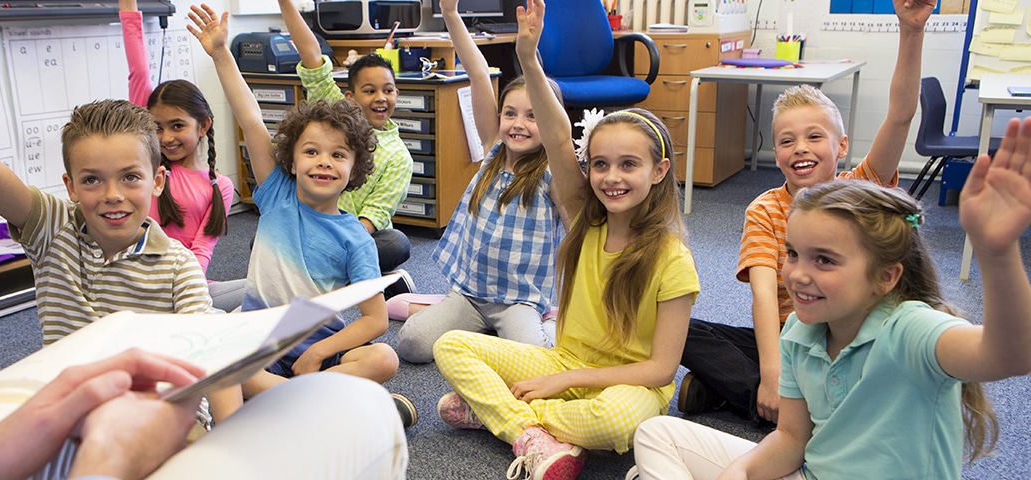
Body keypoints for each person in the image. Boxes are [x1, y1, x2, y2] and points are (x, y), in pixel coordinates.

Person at [0, 4, 409, 480]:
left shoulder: (180, 266)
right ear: (69, 186)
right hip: (65, 422)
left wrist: (227, 437)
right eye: (92, 180)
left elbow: (214, 369)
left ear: (156, 181)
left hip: (167, 422)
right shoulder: (50, 226)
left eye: (130, 178)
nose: (112, 195)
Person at [632, 118, 1031, 478]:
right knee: (656, 434)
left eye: (824, 260)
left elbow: (1012, 354)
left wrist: (996, 253)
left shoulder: (912, 328)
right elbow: (790, 438)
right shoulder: (800, 334)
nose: (798, 274)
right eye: (792, 254)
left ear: (885, 277)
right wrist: (742, 470)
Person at [432, 1, 699, 478]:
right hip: (561, 362)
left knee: (622, 423)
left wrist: (568, 379)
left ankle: (499, 415)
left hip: (625, 386)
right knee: (451, 344)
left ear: (659, 171)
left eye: (628, 165)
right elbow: (556, 138)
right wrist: (529, 59)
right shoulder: (585, 222)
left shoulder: (673, 259)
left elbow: (661, 372)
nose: (611, 178)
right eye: (600, 164)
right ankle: (531, 434)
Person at [677, 0, 937, 424]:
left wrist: (911, 33)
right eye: (786, 140)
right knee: (678, 328)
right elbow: (763, 293)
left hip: (848, 340)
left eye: (814, 136)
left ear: (841, 146)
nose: (800, 147)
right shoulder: (764, 208)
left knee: (889, 360)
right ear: (774, 152)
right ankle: (788, 402)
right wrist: (774, 372)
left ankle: (749, 398)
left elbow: (901, 116)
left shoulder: (861, 190)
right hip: (786, 340)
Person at [188, 4, 416, 427]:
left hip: (319, 350)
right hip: (259, 345)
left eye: (338, 154)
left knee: (383, 358)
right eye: (311, 152)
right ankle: (325, 405)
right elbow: (250, 117)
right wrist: (221, 53)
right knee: (214, 354)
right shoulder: (276, 193)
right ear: (290, 160)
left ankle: (297, 404)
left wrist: (315, 354)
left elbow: (375, 320)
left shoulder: (356, 239)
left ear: (354, 168)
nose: (323, 162)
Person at [390, 0, 565, 365]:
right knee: (410, 344)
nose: (518, 124)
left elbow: (560, 140)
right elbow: (478, 73)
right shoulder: (493, 150)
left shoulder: (553, 173)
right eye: (511, 113)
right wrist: (451, 15)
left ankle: (551, 319)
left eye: (534, 117)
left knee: (534, 360)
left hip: (518, 301)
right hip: (469, 294)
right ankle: (451, 314)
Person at [276, 0, 416, 296]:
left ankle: (324, 275)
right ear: (351, 97)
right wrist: (286, 4)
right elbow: (312, 57)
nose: (381, 98)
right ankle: (358, 281)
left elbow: (372, 218)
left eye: (388, 90)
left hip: (355, 239)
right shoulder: (336, 114)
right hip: (311, 226)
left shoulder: (399, 157)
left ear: (397, 93)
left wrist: (333, 244)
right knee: (265, 240)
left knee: (395, 243)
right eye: (370, 91)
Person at [120, 0, 244, 311]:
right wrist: (128, 9)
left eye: (177, 126)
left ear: (203, 126)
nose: (166, 138)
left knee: (261, 291)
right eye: (157, 128)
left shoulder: (221, 186)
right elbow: (138, 71)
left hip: (189, 286)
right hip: (141, 289)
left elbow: (202, 250)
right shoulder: (151, 170)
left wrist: (188, 291)